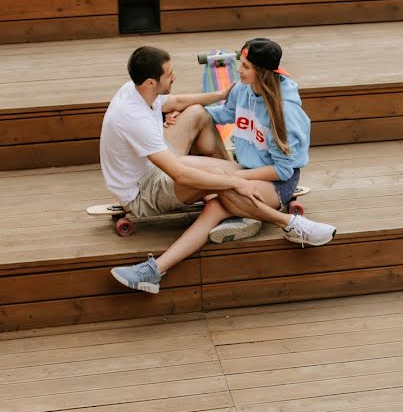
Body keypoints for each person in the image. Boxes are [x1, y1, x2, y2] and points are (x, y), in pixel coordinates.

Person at [104, 43, 334, 294]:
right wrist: (173, 113)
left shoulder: (285, 112)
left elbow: (283, 171)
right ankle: (262, 217)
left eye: (244, 66)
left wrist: (232, 178)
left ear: (261, 71)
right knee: (197, 157)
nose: (238, 70)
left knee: (215, 195)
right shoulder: (243, 90)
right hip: (244, 168)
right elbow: (222, 114)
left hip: (276, 181)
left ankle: (154, 269)